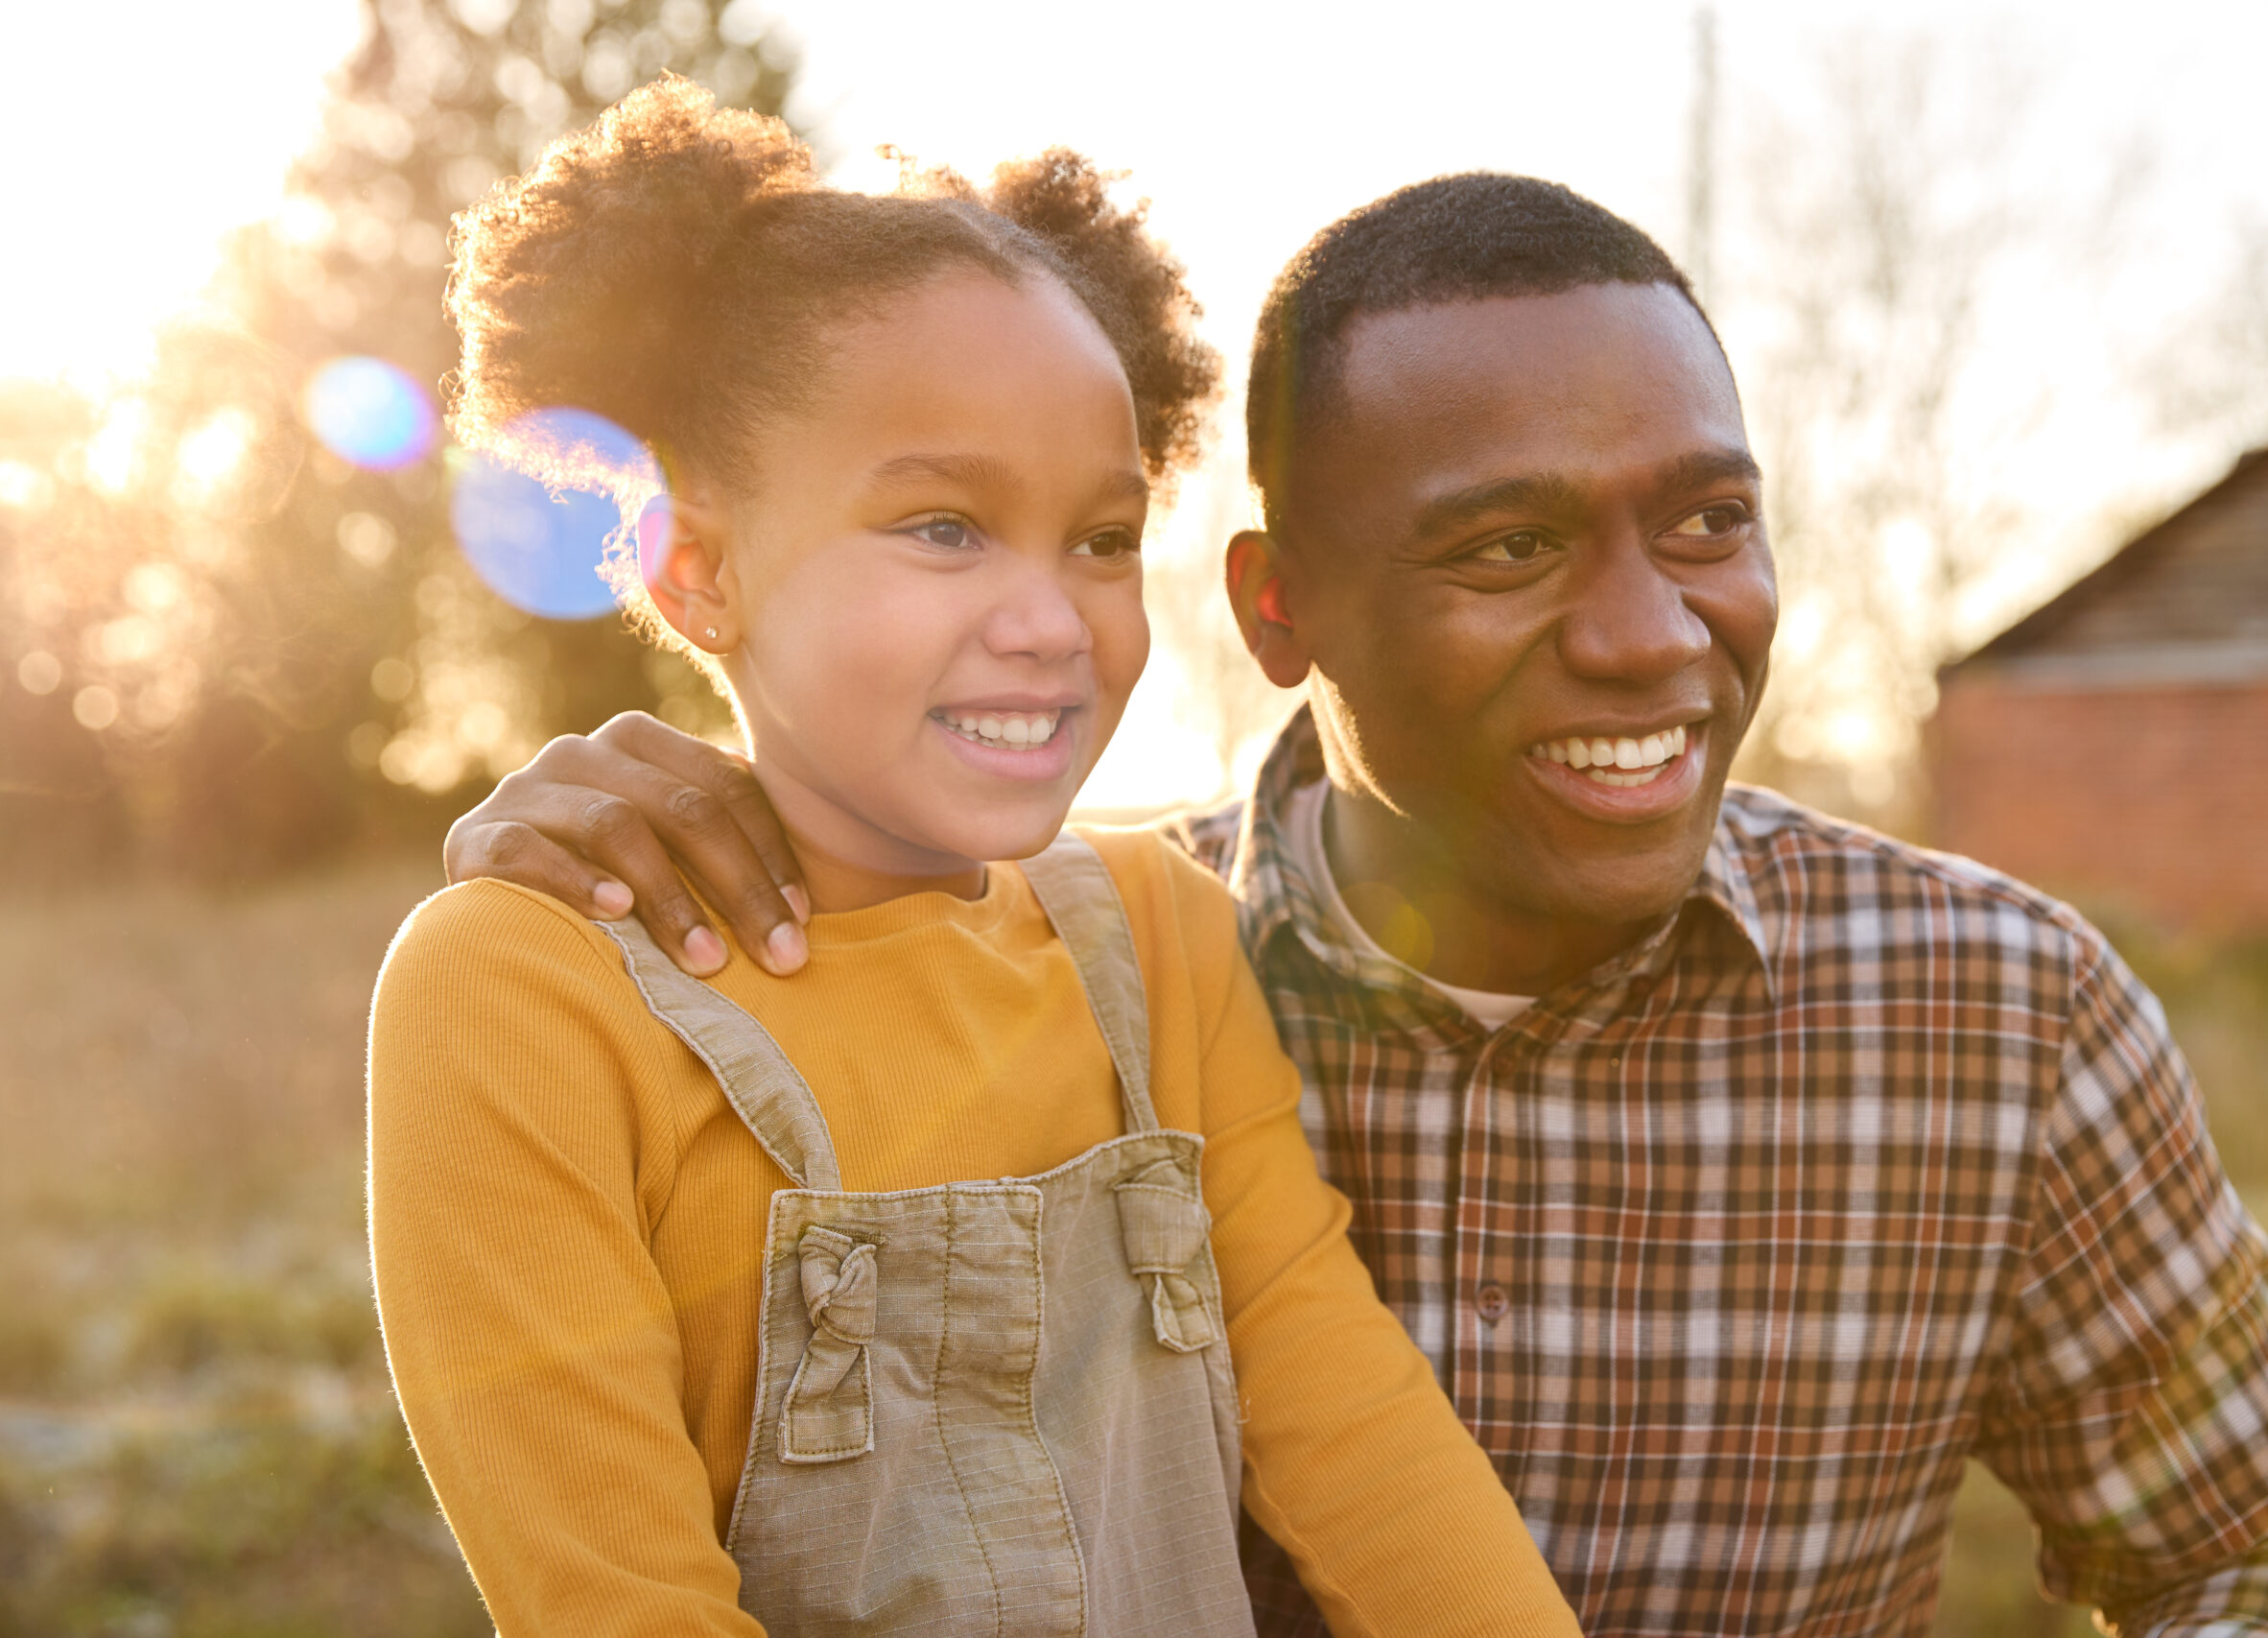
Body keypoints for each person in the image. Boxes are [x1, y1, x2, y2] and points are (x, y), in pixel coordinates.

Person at [443, 173, 2268, 1636]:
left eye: (1708, 521)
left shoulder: (1998, 1016)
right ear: (1278, 612)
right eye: (1507, 545)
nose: (1652, 636)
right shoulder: (1127, 952)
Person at [367, 83, 1587, 1638]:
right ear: (702, 569)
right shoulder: (522, 990)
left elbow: (1350, 1425)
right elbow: (612, 1602)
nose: (1050, 619)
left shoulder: (1159, 933)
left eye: (1098, 537)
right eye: (944, 527)